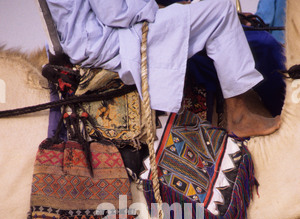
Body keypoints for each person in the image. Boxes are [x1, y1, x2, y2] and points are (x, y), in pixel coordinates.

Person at [44, 0, 281, 138]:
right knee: (220, 9)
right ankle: (239, 116)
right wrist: (158, 7)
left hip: (86, 40)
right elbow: (114, 14)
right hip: (106, 40)